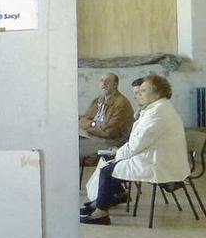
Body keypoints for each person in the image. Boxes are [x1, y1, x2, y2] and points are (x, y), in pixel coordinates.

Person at [80, 75, 191, 225]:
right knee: (110, 162)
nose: (139, 95)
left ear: (157, 93)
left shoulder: (157, 113)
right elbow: (137, 141)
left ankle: (101, 212)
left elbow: (135, 144)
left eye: (143, 91)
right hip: (156, 157)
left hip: (158, 164)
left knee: (108, 169)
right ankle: (102, 201)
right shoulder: (158, 108)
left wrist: (118, 153)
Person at [78, 73, 135, 144]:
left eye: (107, 81)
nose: (103, 84)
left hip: (114, 142)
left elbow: (109, 132)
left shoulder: (121, 103)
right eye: (102, 81)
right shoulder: (97, 100)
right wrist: (94, 124)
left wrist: (86, 129)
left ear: (115, 85)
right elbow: (83, 120)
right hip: (94, 136)